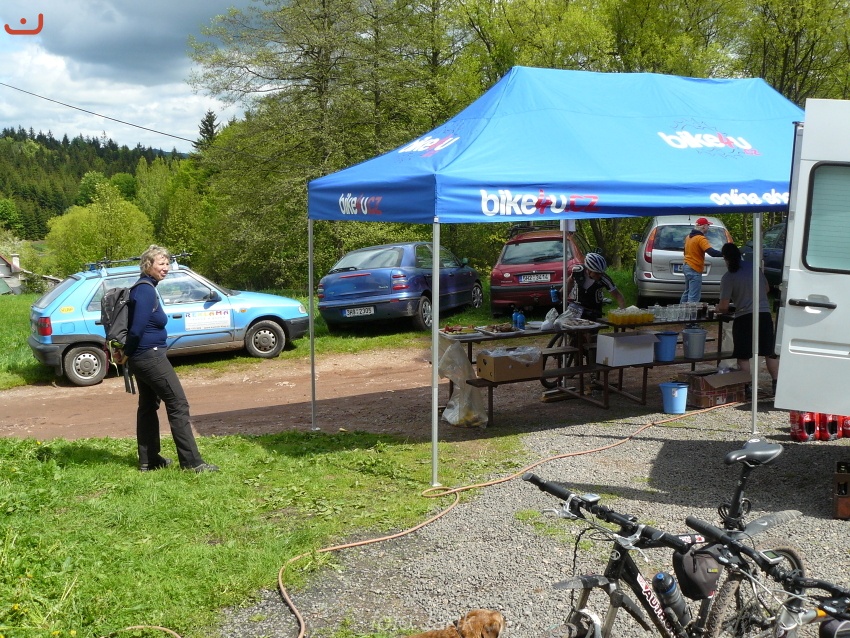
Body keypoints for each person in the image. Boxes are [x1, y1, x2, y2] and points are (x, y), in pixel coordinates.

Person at [121, 245, 219, 473]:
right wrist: (127, 353)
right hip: (149, 356)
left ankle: (149, 460)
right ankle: (192, 463)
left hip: (143, 356)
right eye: (161, 263)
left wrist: (130, 354)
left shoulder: (143, 288)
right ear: (148, 265)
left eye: (167, 263)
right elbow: (136, 329)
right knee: (178, 404)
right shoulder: (145, 290)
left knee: (148, 406)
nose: (166, 268)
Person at [715, 242, 778, 397]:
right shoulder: (754, 268)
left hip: (744, 317)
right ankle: (776, 384)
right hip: (764, 314)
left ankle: (747, 387)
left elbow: (723, 307)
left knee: (743, 356)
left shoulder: (728, 277)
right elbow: (766, 289)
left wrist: (718, 308)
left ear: (725, 258)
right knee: (769, 352)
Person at [564, 252, 626, 320]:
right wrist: (562, 294)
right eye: (596, 273)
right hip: (576, 308)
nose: (599, 275)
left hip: (594, 311)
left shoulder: (604, 279)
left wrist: (622, 312)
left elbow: (618, 296)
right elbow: (570, 281)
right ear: (588, 270)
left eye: (601, 273)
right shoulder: (577, 270)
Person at [681, 217, 723, 303]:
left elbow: (685, 252)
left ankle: (681, 310)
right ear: (703, 226)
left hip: (686, 265)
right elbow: (711, 252)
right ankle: (691, 311)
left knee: (687, 292)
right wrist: (726, 254)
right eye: (708, 225)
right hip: (694, 268)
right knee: (694, 296)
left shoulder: (688, 237)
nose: (708, 227)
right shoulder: (701, 238)